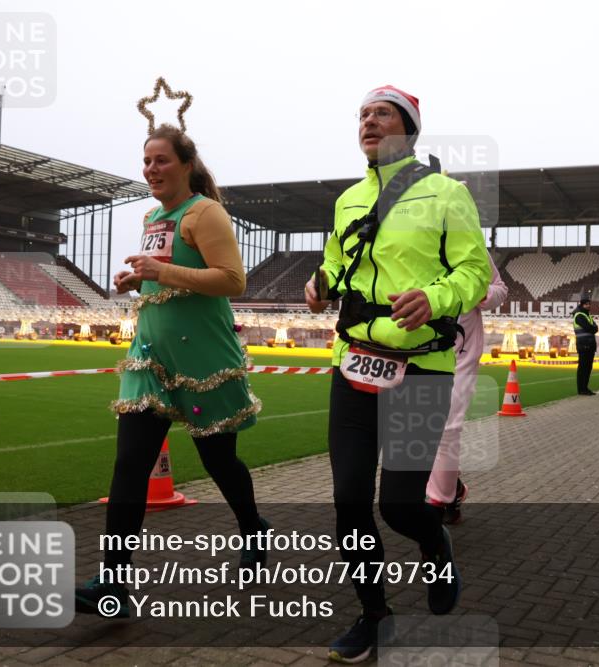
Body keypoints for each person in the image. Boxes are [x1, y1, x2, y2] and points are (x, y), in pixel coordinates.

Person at [304, 85, 490, 662]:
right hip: (353, 363)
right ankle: (375, 615)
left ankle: (434, 544)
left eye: (381, 114)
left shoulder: (446, 193)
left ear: (408, 127)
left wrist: (435, 299)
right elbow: (336, 263)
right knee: (349, 500)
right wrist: (319, 284)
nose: (369, 122)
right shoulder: (347, 201)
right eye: (362, 114)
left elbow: (475, 271)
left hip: (421, 369)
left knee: (400, 506)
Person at [75, 123, 265, 617]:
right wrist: (136, 282)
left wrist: (161, 272)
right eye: (146, 161)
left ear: (186, 164)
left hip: (202, 359)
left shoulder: (206, 213)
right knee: (130, 465)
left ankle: (254, 529)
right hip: (151, 357)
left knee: (219, 461)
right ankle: (114, 583)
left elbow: (232, 281)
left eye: (161, 160)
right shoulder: (153, 216)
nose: (151, 169)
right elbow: (163, 281)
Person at [427, 255, 508, 525]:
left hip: (461, 354)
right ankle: (453, 490)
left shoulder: (471, 246)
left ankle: (436, 506)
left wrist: (482, 293)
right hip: (419, 352)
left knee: (447, 427)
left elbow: (500, 289)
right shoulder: (412, 245)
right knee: (423, 430)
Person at [572, 294, 598, 395]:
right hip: (583, 345)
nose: (588, 306)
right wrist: (593, 328)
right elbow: (590, 328)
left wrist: (593, 328)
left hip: (590, 345)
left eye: (589, 304)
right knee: (583, 368)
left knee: (588, 368)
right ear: (582, 305)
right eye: (586, 304)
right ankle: (582, 389)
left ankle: (585, 388)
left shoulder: (587, 315)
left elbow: (595, 328)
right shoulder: (579, 315)